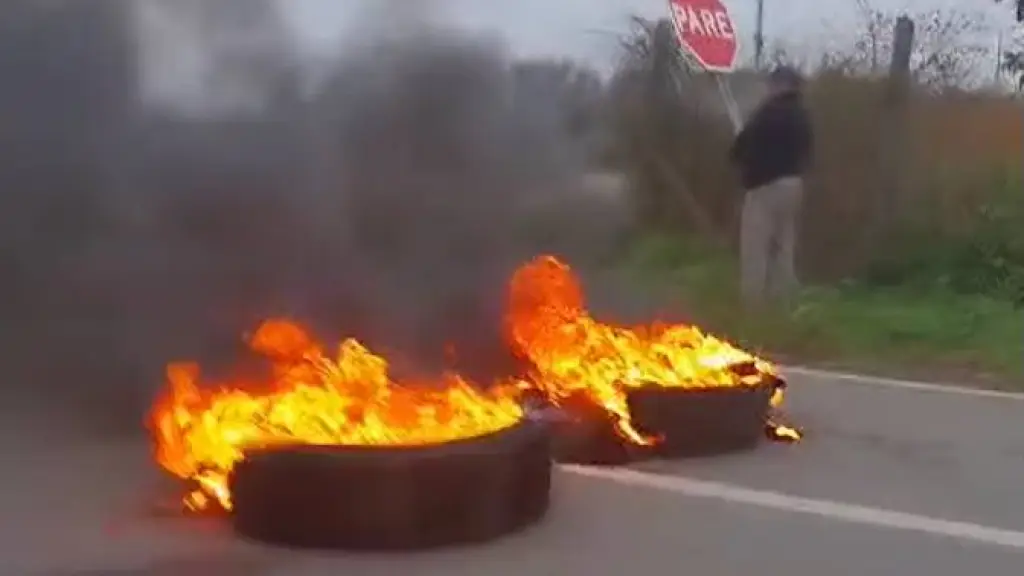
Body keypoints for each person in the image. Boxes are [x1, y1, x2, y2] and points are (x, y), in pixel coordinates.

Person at [729, 65, 813, 305]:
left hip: (765, 187)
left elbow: (740, 149)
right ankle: (782, 301)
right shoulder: (803, 115)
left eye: (772, 83)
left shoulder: (767, 113)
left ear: (780, 85)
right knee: (783, 245)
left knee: (756, 246)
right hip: (794, 184)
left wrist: (740, 150)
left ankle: (753, 303)